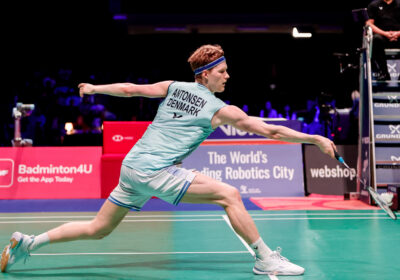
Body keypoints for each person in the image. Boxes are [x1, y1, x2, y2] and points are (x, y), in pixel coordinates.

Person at [1, 44, 337, 276]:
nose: (227, 76)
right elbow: (269, 131)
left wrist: (94, 88)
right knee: (230, 195)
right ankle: (265, 259)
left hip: (132, 167)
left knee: (98, 228)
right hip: (155, 170)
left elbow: (131, 89)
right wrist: (316, 138)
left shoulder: (173, 87)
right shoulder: (220, 110)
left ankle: (28, 243)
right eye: (222, 71)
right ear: (204, 75)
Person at [366, 0, 400, 80]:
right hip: (382, 36)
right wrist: (385, 34)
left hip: (398, 36)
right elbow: (369, 24)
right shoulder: (374, 5)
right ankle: (384, 73)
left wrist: (398, 33)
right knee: (376, 39)